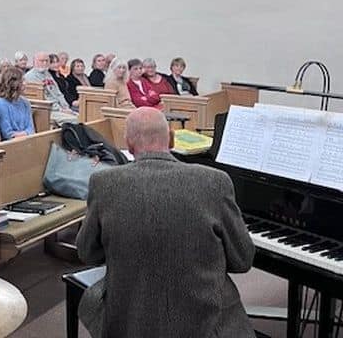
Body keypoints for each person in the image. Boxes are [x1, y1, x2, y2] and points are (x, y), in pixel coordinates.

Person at [76, 107, 255, 338]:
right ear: (171, 139)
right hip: (205, 325)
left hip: (130, 320)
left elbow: (87, 253)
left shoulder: (103, 183)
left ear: (129, 145)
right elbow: (242, 259)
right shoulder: (215, 181)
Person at [25, 52, 79, 125]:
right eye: (42, 61)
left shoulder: (47, 74)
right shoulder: (30, 77)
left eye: (46, 61)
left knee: (82, 117)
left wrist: (66, 107)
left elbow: (58, 93)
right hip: (47, 110)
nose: (44, 63)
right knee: (76, 120)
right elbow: (42, 98)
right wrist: (61, 109)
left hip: (59, 108)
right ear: (34, 62)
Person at [0, 67, 35, 141]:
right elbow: (7, 134)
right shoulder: (0, 103)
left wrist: (23, 134)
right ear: (13, 83)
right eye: (22, 81)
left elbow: (31, 129)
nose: (25, 83)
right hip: (10, 144)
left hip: (27, 140)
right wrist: (25, 133)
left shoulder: (25, 103)